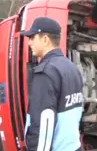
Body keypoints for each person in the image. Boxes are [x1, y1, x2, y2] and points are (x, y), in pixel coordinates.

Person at [21, 17, 84, 151]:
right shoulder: (72, 68)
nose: (29, 43)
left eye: (32, 37)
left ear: (45, 39)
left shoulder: (45, 73)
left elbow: (43, 124)